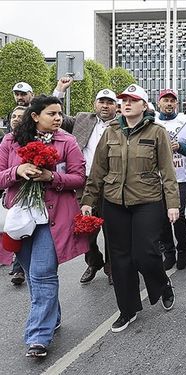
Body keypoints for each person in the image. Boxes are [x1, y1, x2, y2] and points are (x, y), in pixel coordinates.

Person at [80, 84, 179, 333]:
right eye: (123, 100)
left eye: (133, 100)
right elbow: (98, 171)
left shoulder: (157, 132)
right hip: (114, 202)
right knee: (121, 259)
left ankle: (162, 284)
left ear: (144, 106)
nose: (126, 103)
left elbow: (168, 172)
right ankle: (128, 309)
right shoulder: (111, 132)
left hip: (148, 200)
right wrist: (88, 201)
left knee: (145, 254)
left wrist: (173, 204)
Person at [0, 95, 88, 357]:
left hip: (53, 219)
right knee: (32, 273)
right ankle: (53, 316)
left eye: (60, 113)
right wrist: (18, 172)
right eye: (52, 114)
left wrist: (52, 177)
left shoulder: (67, 141)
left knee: (42, 274)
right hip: (20, 218)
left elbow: (79, 177)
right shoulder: (11, 141)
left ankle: (38, 336)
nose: (58, 118)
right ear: (35, 116)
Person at [66, 89, 119, 285]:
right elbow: (55, 116)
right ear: (94, 104)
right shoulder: (82, 119)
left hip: (111, 183)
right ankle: (93, 261)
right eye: (101, 101)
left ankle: (112, 268)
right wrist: (61, 90)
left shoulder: (122, 124)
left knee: (112, 230)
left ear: (116, 106)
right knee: (84, 230)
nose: (105, 105)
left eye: (110, 102)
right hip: (84, 183)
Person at [154, 89, 186, 270]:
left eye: (172, 101)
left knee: (178, 215)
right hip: (157, 178)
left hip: (180, 176)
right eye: (165, 100)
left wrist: (181, 147)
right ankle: (169, 253)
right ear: (158, 103)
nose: (169, 104)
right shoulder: (152, 123)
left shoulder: (185, 121)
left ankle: (182, 250)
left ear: (176, 103)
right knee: (161, 218)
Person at [2, 106, 28, 284]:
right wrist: (16, 171)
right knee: (16, 233)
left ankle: (21, 269)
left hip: (37, 201)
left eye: (20, 116)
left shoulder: (40, 139)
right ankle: (19, 268)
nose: (16, 119)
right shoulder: (7, 140)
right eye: (13, 116)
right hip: (14, 198)